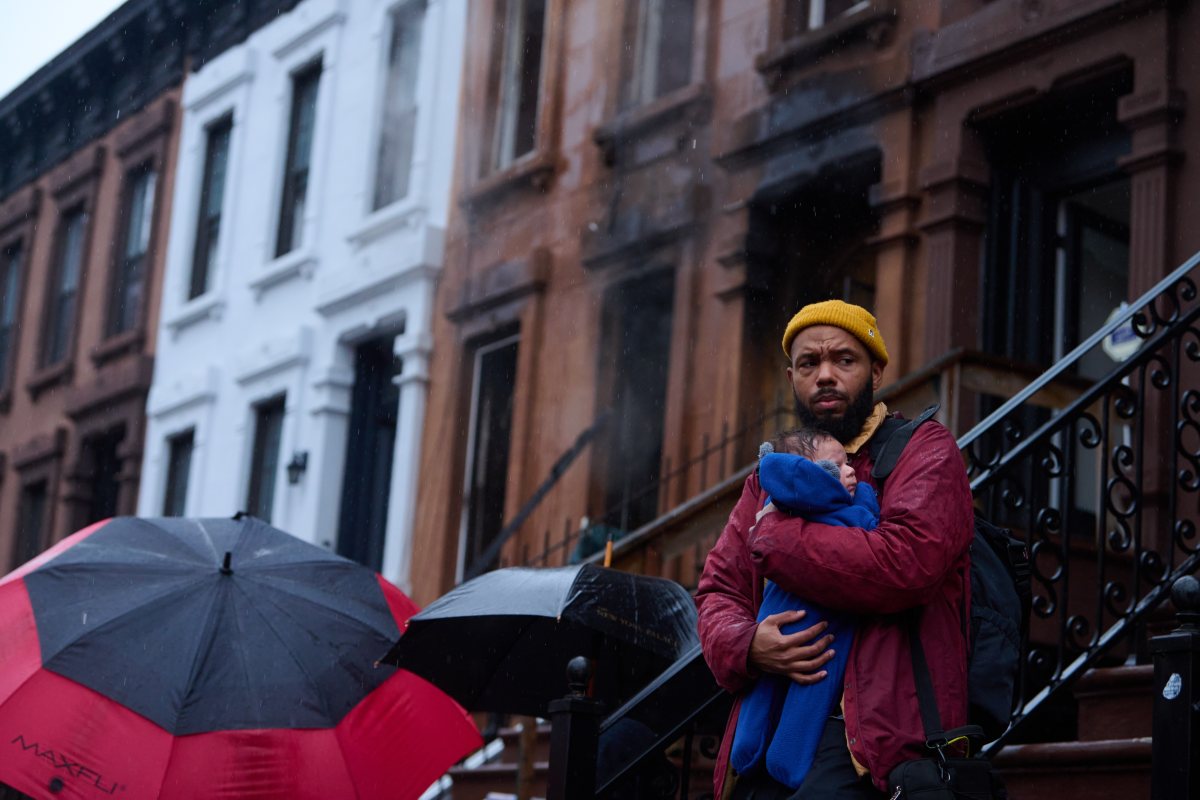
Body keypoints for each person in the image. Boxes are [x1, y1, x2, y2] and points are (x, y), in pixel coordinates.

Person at [696, 300, 975, 799]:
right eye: (809, 363)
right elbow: (719, 589)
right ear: (791, 377)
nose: (825, 375)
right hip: (764, 729)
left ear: (876, 370)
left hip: (873, 749)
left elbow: (906, 565)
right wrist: (748, 645)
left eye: (844, 360)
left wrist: (778, 538)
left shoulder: (925, 451)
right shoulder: (770, 474)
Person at [731, 428, 879, 789]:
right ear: (808, 472)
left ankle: (784, 758)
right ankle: (747, 750)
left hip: (824, 627)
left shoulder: (782, 511)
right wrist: (747, 646)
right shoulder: (778, 502)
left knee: (811, 690)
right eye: (838, 466)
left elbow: (868, 537)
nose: (852, 472)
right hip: (779, 619)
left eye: (850, 463)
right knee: (766, 692)